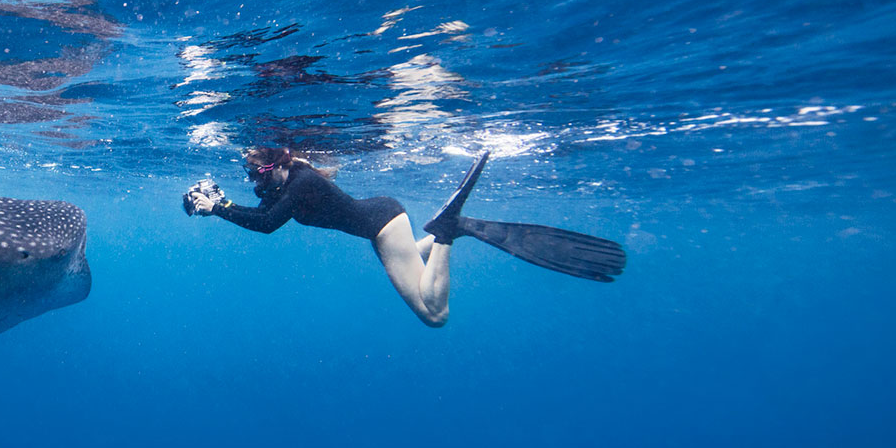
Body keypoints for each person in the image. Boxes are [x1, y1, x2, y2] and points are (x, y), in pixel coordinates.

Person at [184, 146, 624, 327]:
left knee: (435, 315)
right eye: (249, 175)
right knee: (412, 256)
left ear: (279, 163)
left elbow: (265, 226)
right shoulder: (288, 182)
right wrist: (220, 204)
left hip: (381, 226)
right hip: (382, 223)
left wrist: (219, 209)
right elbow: (260, 214)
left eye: (258, 173)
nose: (255, 182)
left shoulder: (301, 183)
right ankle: (449, 233)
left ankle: (449, 231)